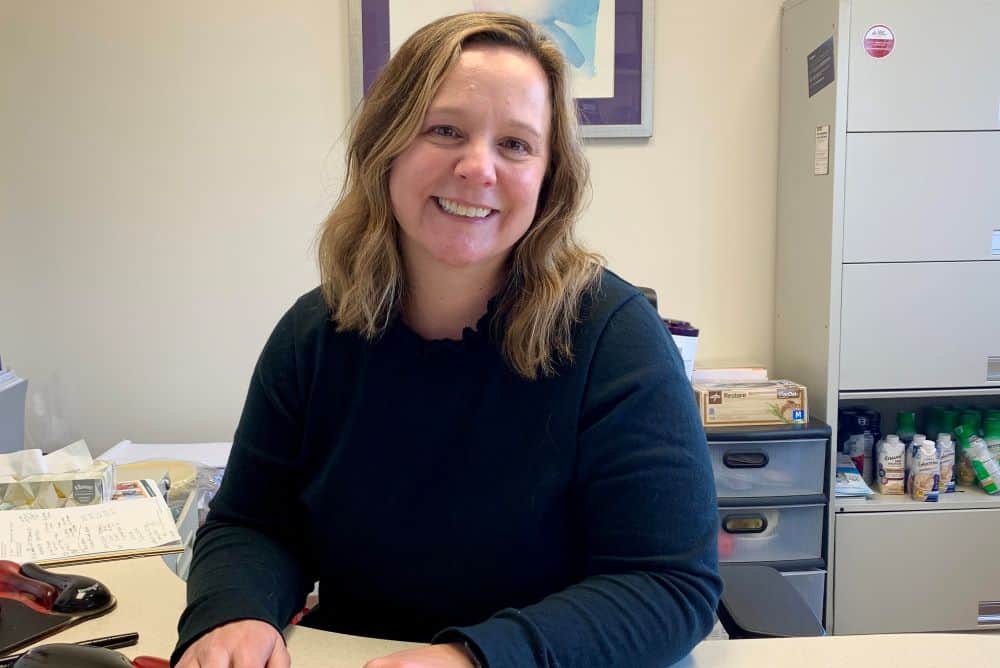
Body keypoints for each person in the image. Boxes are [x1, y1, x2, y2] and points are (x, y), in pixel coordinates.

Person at [172, 12, 720, 668]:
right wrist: (232, 612)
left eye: (516, 145)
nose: (477, 167)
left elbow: (669, 584)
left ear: (550, 179)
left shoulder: (615, 338)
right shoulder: (312, 335)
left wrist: (476, 658)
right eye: (445, 130)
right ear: (388, 144)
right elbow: (253, 523)